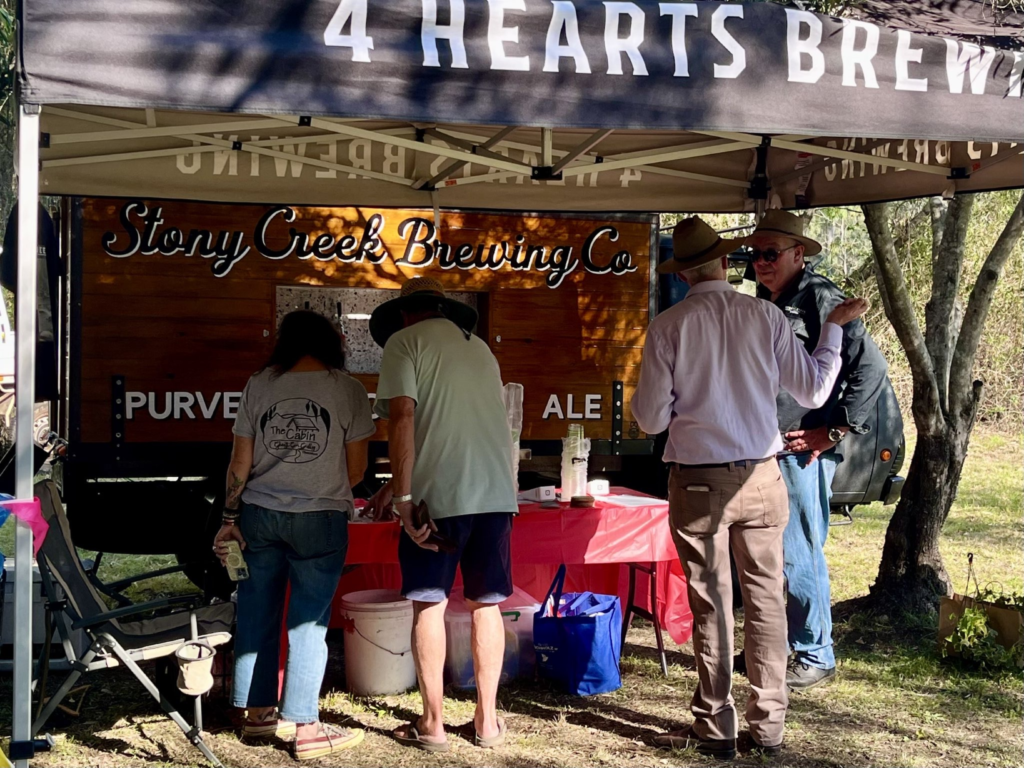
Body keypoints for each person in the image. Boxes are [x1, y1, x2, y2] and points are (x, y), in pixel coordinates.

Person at [631, 217, 867, 760]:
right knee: (766, 602)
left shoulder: (669, 326)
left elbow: (648, 419)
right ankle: (770, 726)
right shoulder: (763, 315)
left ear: (685, 274)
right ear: (724, 262)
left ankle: (716, 726)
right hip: (763, 474)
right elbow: (811, 387)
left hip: (698, 481)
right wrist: (831, 329)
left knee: (712, 604)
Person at [213, 310, 376, 761]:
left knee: (257, 610)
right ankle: (306, 727)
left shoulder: (260, 383)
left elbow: (238, 464)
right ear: (332, 343)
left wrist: (230, 516)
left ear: (284, 342)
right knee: (308, 623)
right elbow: (358, 469)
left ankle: (258, 713)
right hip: (321, 518)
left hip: (259, 514)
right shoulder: (347, 389)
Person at [369, 277, 517, 753]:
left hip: (438, 501)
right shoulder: (480, 351)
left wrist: (404, 498)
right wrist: (395, 486)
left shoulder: (403, 342)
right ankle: (487, 722)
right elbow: (458, 427)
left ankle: (433, 725)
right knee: (487, 603)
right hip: (495, 493)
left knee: (429, 601)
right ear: (444, 310)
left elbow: (405, 419)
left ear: (405, 314)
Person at [744, 210, 888, 690]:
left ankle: (816, 652)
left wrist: (836, 429)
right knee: (771, 551)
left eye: (770, 253)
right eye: (755, 253)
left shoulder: (823, 298)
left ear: (797, 254)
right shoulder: (766, 300)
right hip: (769, 445)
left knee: (799, 549)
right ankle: (781, 645)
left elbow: (870, 369)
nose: (761, 263)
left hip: (804, 450)